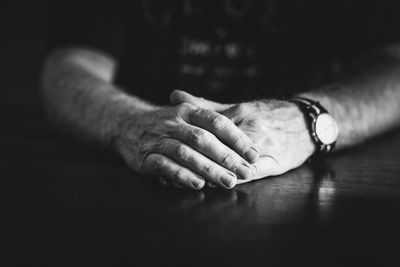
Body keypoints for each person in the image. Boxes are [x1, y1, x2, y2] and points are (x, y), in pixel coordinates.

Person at [42, 0, 400, 190]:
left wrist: (307, 120)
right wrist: (129, 122)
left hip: (303, 181)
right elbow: (69, 66)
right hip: (140, 181)